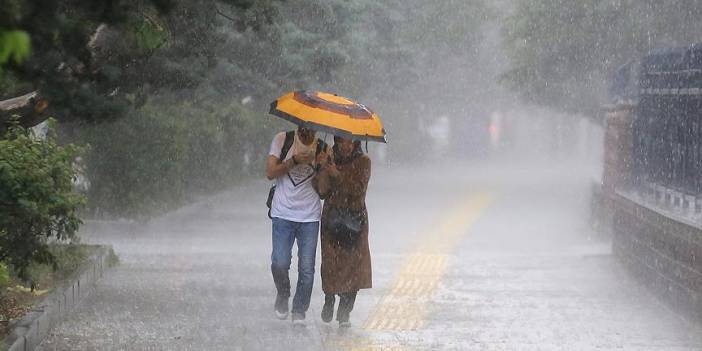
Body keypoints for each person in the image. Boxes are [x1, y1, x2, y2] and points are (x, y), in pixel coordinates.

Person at [265, 126, 328, 325]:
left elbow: (324, 191)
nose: (308, 130)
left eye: (312, 127)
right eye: (304, 125)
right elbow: (270, 172)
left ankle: (299, 310)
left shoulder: (323, 148)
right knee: (279, 262)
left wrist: (322, 167)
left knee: (307, 268)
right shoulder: (283, 139)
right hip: (283, 213)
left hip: (309, 216)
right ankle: (283, 293)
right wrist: (294, 161)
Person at [314, 136, 372, 328]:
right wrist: (322, 168)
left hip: (355, 220)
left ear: (356, 143)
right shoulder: (329, 157)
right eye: (342, 141)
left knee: (354, 267)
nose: (345, 145)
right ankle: (329, 298)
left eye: (350, 142)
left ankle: (345, 311)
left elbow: (358, 190)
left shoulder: (364, 161)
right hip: (332, 219)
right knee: (330, 263)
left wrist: (337, 174)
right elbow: (322, 191)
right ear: (336, 141)